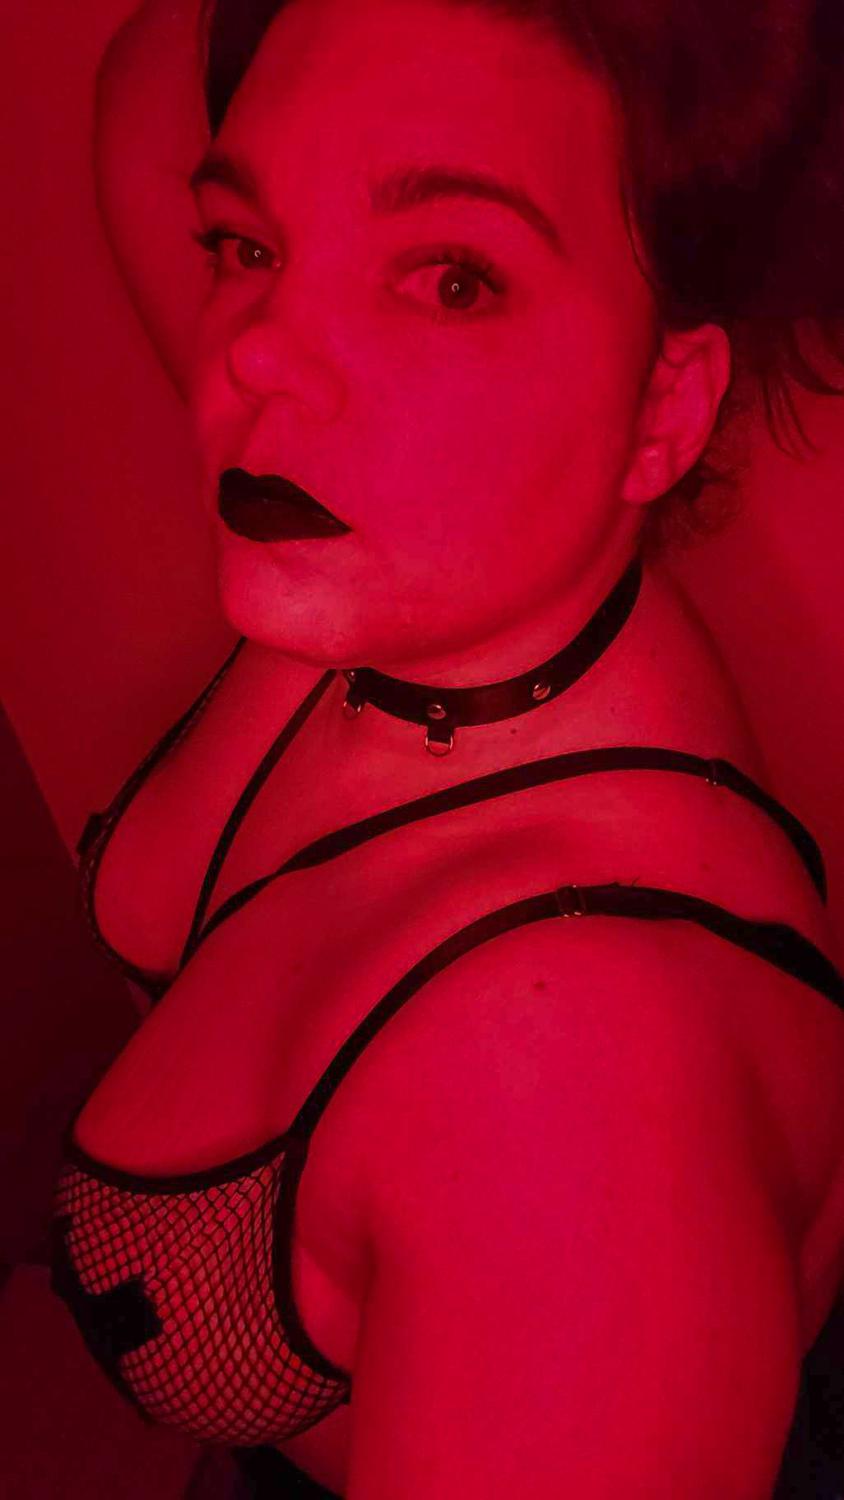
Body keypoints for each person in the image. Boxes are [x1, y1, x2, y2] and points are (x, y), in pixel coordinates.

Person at [48, 1, 844, 1495]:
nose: (258, 355)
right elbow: (157, 81)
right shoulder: (402, 547)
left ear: (666, 404)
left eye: (453, 280)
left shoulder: (577, 1100)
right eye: (245, 244)